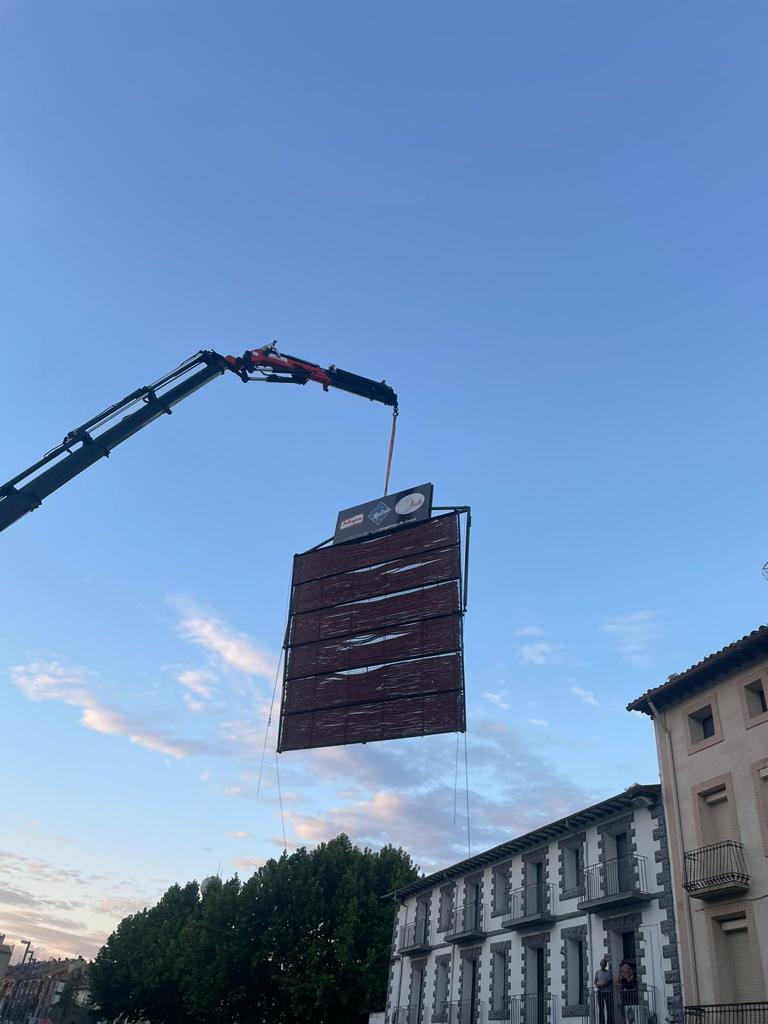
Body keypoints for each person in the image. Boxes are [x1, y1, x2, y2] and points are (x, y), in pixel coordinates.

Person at [595, 959, 614, 1024]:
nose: (602, 965)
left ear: (606, 965)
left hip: (608, 992)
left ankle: (610, 1022)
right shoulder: (597, 972)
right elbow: (595, 980)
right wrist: (596, 985)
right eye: (601, 964)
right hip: (600, 992)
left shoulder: (609, 972)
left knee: (609, 1008)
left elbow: (609, 981)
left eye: (603, 964)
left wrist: (602, 985)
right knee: (601, 1008)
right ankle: (601, 1022)